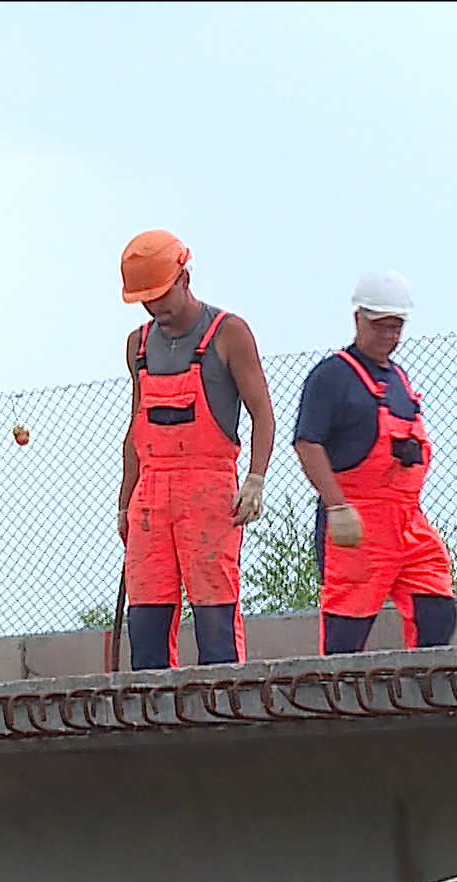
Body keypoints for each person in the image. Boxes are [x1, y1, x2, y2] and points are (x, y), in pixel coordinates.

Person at [116, 229, 275, 669]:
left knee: (214, 612)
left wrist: (255, 480)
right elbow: (137, 429)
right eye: (146, 299)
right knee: (146, 615)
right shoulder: (138, 346)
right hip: (151, 496)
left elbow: (263, 414)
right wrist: (125, 501)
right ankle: (152, 721)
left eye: (162, 294)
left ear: (185, 278)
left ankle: (225, 711)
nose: (156, 306)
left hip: (208, 493)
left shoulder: (229, 333)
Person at [292, 271, 457, 655]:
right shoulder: (332, 376)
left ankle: (425, 694)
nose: (389, 335)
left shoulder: (399, 379)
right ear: (358, 320)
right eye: (381, 326)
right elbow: (307, 443)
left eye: (396, 326)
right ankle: (339, 703)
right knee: (347, 634)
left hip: (407, 521)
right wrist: (337, 505)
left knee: (437, 610)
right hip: (357, 525)